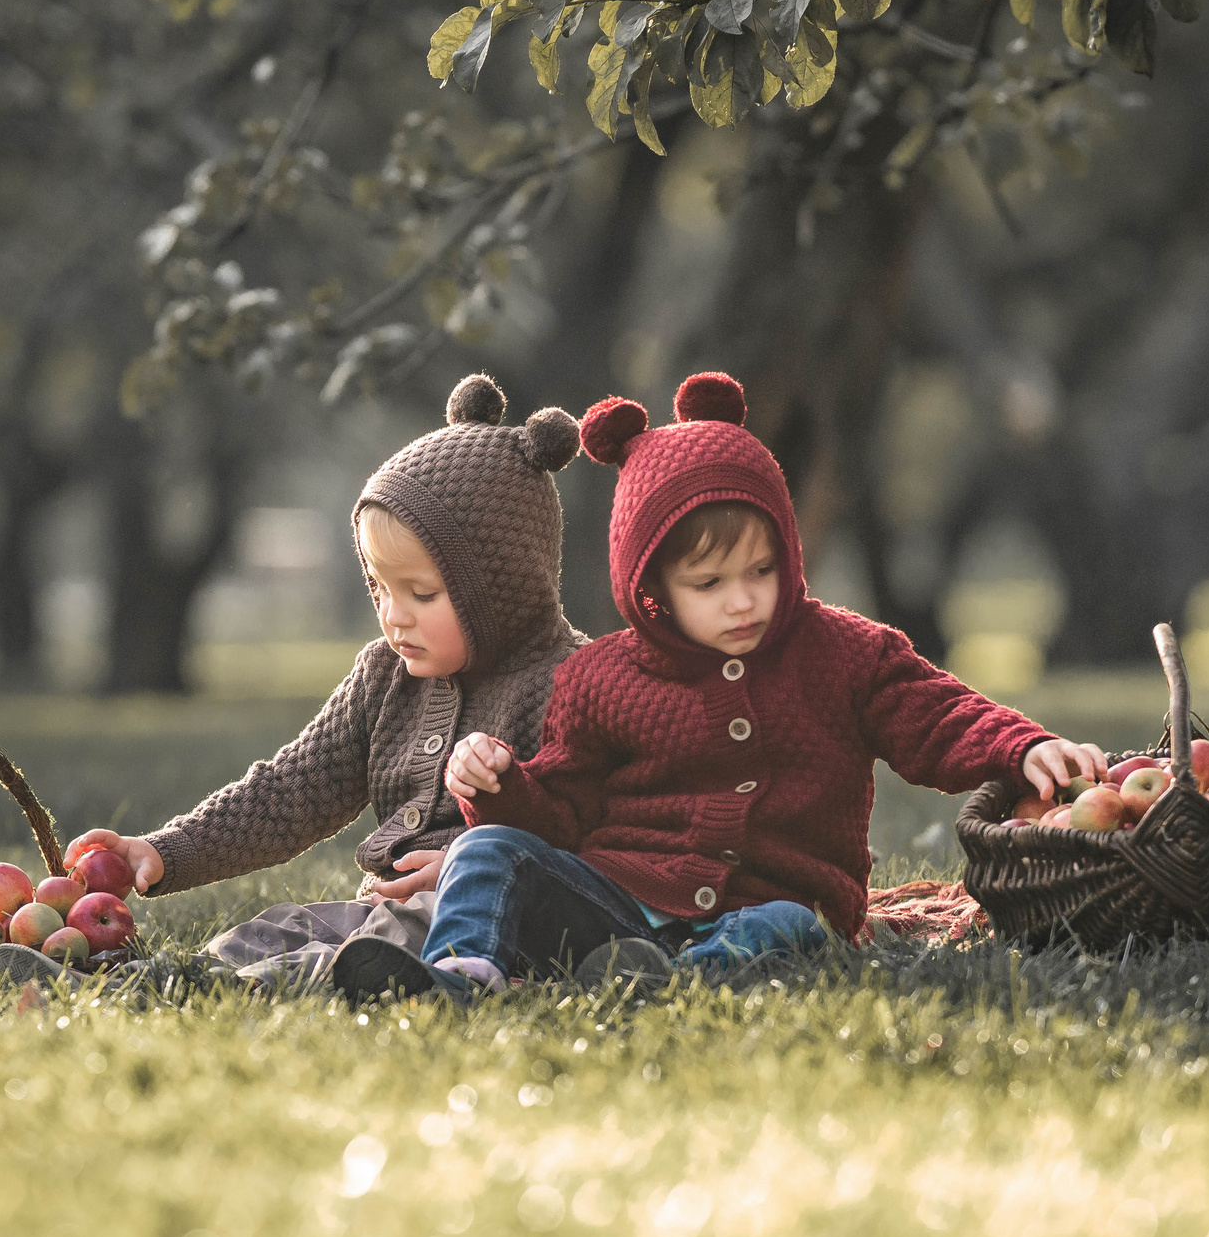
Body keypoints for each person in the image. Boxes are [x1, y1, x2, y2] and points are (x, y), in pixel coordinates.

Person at [330, 371, 1106, 1003]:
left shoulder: (842, 651)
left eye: (762, 571)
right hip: (622, 893)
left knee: (787, 925)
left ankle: (668, 980)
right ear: (653, 587)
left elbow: (938, 714)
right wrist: (497, 788)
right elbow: (560, 812)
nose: (742, 600)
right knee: (489, 848)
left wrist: (1024, 745)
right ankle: (460, 975)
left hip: (768, 898)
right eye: (708, 582)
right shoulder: (602, 676)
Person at [0, 374, 585, 1000]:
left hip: (490, 928)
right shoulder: (384, 677)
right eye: (379, 587)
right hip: (383, 909)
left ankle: (231, 992)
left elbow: (596, 825)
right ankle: (153, 979)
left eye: (422, 594)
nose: (394, 615)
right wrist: (165, 851)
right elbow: (290, 790)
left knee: (371, 947)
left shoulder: (569, 684)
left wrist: (470, 866)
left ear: (503, 589)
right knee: (279, 928)